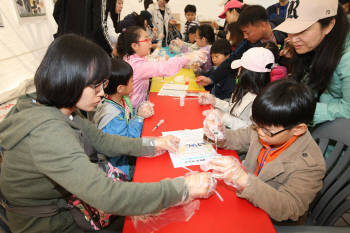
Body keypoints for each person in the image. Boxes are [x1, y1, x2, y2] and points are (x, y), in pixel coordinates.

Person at [0, 34, 215, 233]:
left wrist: (153, 144)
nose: (102, 93)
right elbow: (107, 195)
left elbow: (101, 140)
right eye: (96, 86)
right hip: (49, 224)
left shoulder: (54, 105)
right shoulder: (47, 133)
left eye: (103, 84)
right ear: (71, 80)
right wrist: (182, 188)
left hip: (62, 205)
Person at [203, 79, 326, 223]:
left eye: (267, 131)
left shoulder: (310, 165)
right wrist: (218, 135)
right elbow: (240, 137)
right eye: (256, 125)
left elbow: (290, 207)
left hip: (269, 218)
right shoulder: (266, 128)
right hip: (245, 201)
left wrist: (244, 180)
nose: (260, 132)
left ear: (298, 129)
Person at [275, 0, 350, 125]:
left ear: (329, 26)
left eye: (303, 30)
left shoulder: (346, 59)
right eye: (291, 30)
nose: (293, 39)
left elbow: (348, 110)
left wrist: (303, 109)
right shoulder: (315, 45)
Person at [196, 5, 287, 92]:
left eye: (246, 32)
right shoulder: (249, 42)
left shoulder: (285, 29)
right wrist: (211, 79)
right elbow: (231, 59)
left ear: (262, 26)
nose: (245, 36)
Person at [116, 26, 206, 108]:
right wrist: (188, 57)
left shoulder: (133, 58)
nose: (150, 42)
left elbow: (153, 62)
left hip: (137, 103)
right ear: (135, 46)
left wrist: (167, 59)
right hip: (134, 109)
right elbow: (164, 67)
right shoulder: (136, 65)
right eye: (146, 39)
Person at [94, 59, 154, 180]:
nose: (134, 84)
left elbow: (127, 120)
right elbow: (126, 143)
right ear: (120, 88)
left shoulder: (122, 98)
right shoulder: (111, 116)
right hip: (120, 168)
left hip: (127, 158)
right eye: (132, 81)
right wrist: (139, 118)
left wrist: (139, 112)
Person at [199, 47, 274, 130]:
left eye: (240, 69)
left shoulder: (261, 102)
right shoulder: (244, 89)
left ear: (249, 74)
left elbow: (250, 131)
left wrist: (223, 117)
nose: (238, 72)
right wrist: (215, 101)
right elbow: (233, 109)